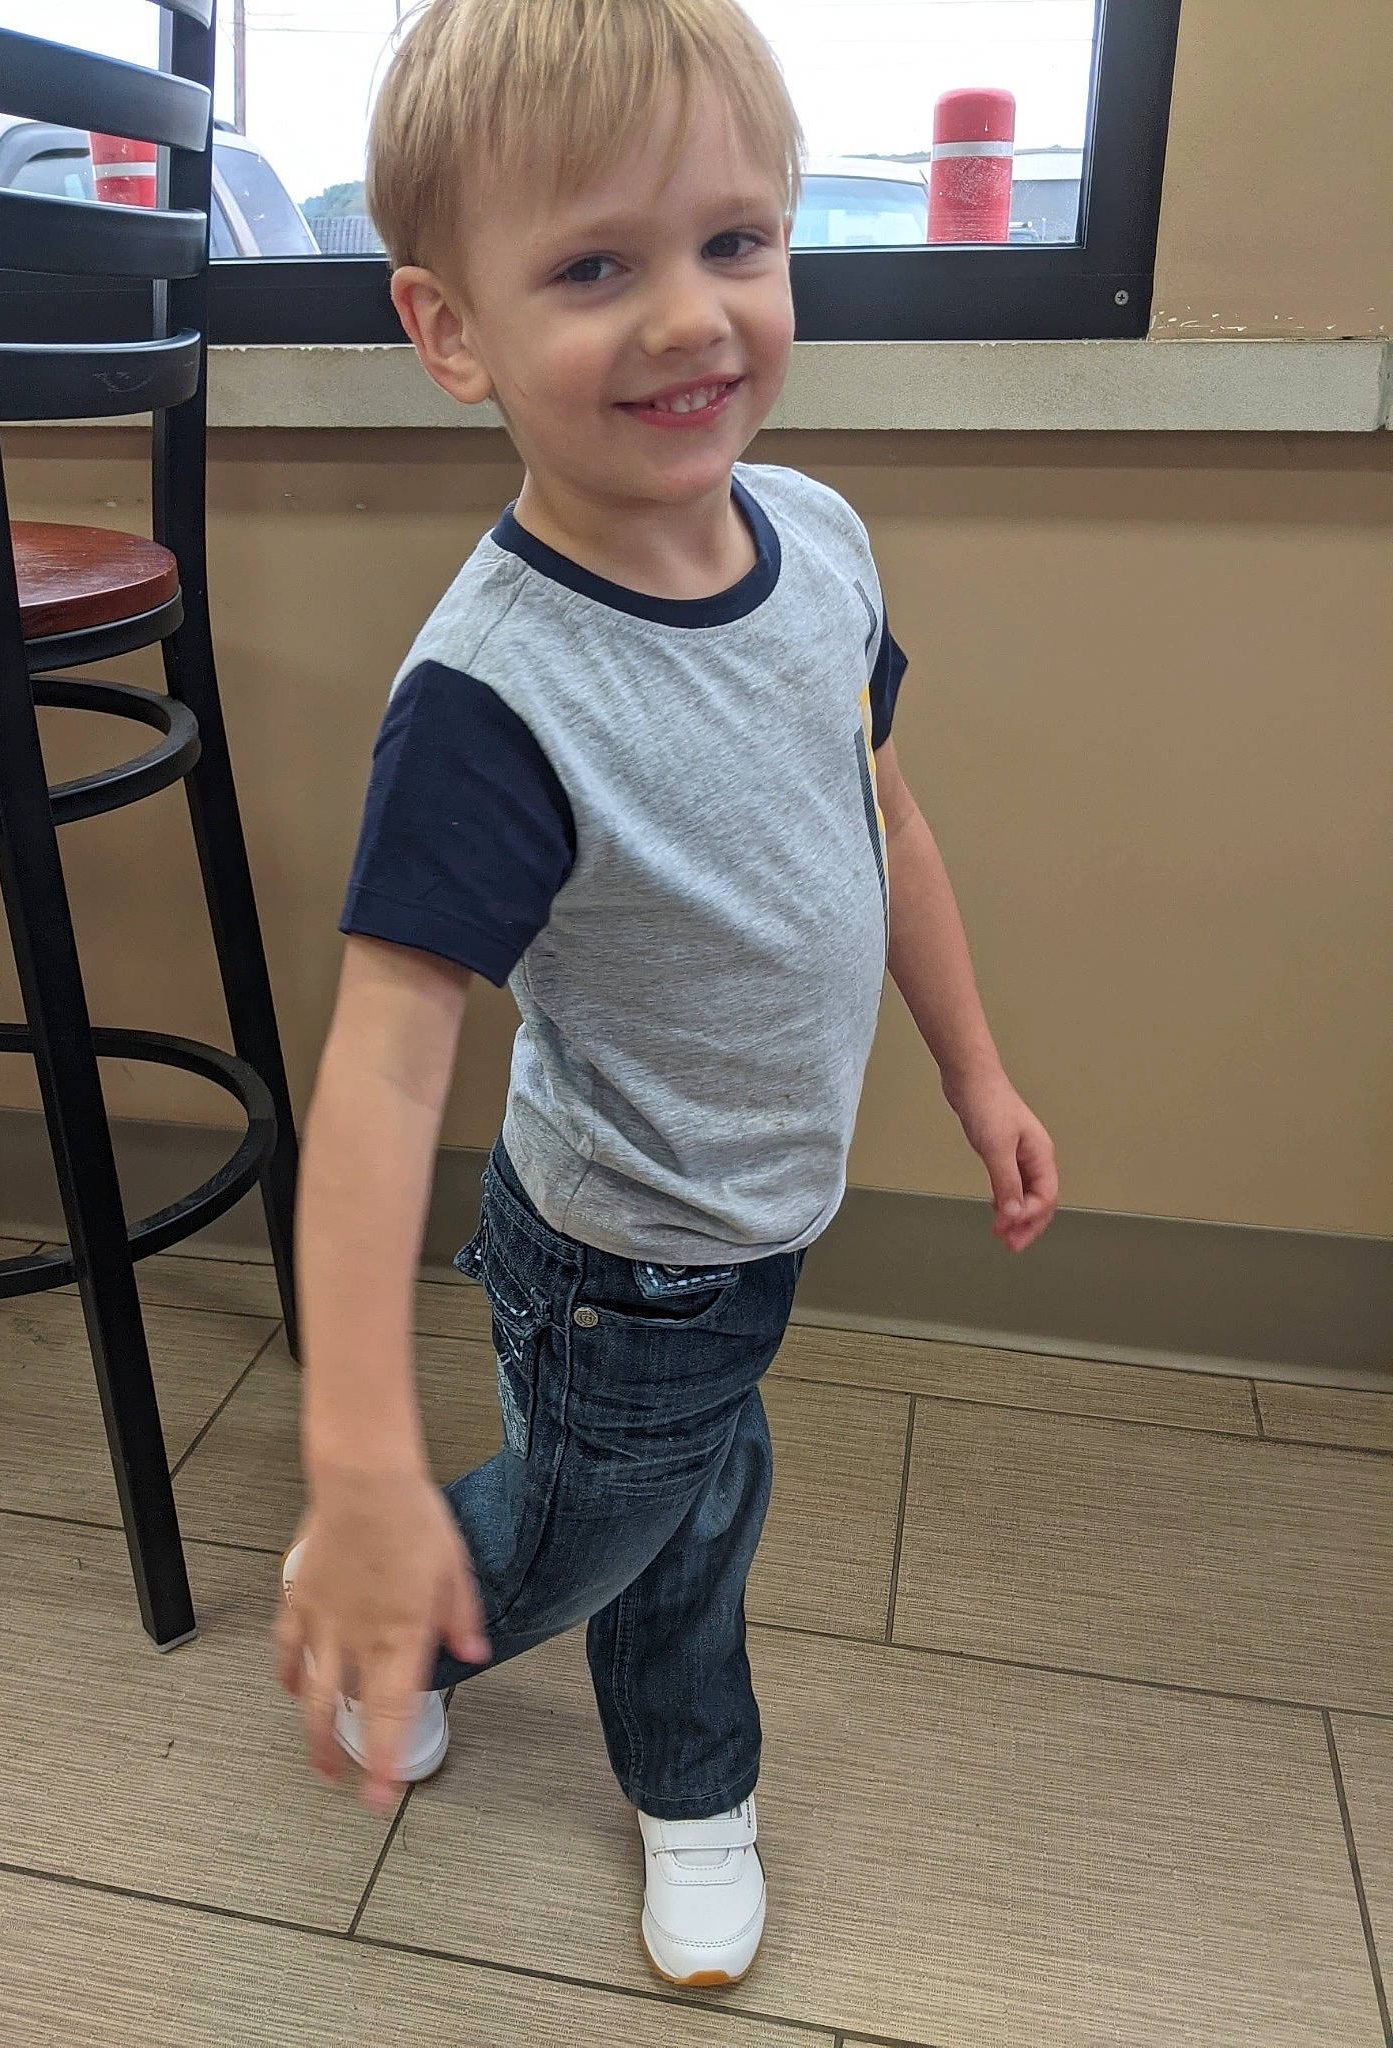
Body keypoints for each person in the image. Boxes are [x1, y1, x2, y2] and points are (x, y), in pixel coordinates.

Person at [274, 0, 1058, 1990]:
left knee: (705, 1486)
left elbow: (885, 821)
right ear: (451, 330)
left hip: (758, 1213)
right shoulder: (494, 698)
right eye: (595, 269)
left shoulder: (823, 545)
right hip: (624, 1253)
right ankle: (462, 1641)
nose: (691, 316)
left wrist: (976, 1072)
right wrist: (359, 1468)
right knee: (616, 1519)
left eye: (733, 242)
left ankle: (642, 1724)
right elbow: (380, 1074)